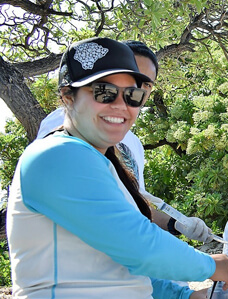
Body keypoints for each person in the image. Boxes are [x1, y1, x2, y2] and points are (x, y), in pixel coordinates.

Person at [5, 37, 228, 299]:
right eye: (104, 92)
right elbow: (140, 246)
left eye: (134, 95)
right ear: (68, 96)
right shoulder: (56, 156)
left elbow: (119, 265)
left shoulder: (102, 162)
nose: (121, 105)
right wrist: (211, 265)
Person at [37, 40, 214, 243]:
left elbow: (136, 207)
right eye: (127, 76)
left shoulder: (133, 144)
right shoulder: (64, 124)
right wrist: (203, 264)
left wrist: (177, 224)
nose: (134, 88)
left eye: (145, 84)